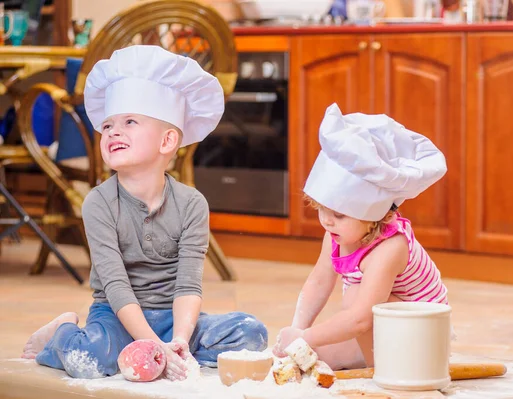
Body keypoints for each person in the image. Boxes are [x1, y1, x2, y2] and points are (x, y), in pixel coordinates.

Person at [21, 45, 268, 380]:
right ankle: (61, 333)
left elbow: (188, 284)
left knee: (251, 333)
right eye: (107, 126)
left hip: (172, 318)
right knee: (88, 360)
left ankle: (169, 348)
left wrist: (179, 340)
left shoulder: (192, 204)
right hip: (115, 316)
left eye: (129, 121)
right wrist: (152, 345)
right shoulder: (98, 202)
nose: (113, 132)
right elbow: (115, 284)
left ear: (167, 141)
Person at [273, 103, 448, 370]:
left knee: (355, 297)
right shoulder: (335, 233)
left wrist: (304, 338)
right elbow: (320, 281)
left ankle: (383, 370)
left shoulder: (391, 247)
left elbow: (361, 319)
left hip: (422, 336)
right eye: (323, 209)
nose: (327, 220)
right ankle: (371, 362)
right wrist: (297, 330)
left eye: (341, 215)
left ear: (383, 216)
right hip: (383, 329)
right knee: (316, 357)